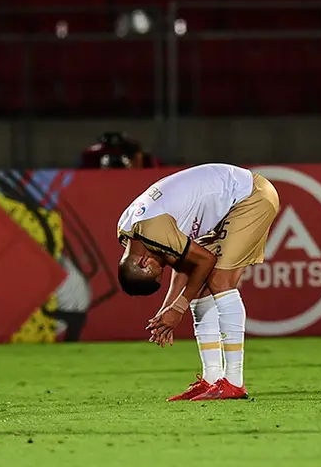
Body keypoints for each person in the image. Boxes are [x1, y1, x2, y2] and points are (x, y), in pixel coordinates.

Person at [116, 163, 280, 400]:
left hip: (251, 195)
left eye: (158, 272)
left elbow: (205, 260)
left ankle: (234, 382)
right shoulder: (129, 233)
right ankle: (211, 378)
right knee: (200, 290)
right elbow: (184, 265)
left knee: (220, 281)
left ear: (144, 262)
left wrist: (178, 308)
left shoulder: (152, 230)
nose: (163, 269)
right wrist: (167, 309)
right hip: (232, 200)